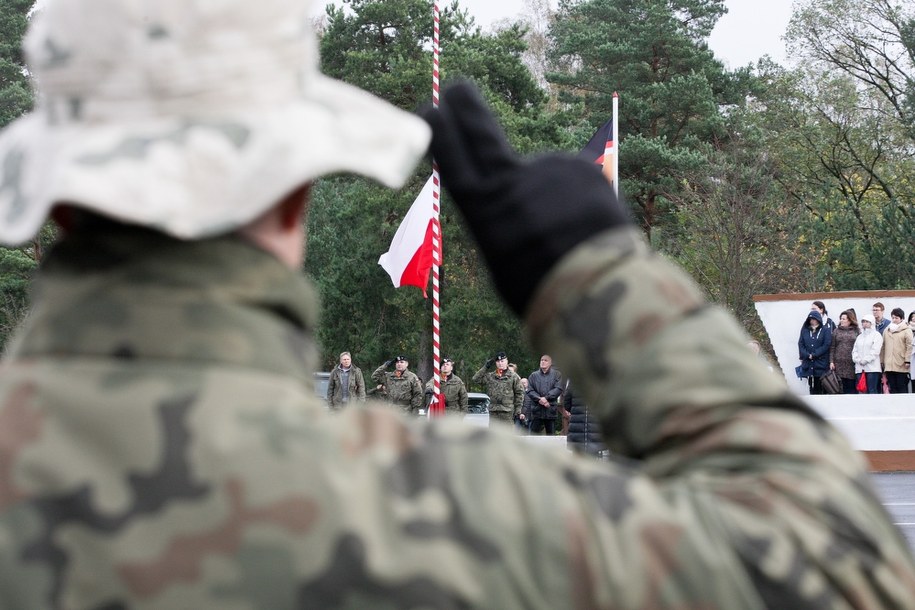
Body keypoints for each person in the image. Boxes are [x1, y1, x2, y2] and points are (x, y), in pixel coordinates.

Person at [0, 4, 913, 606]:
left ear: (56, 194)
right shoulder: (438, 510)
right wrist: (603, 284)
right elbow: (838, 563)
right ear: (292, 188)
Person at [472, 351, 524, 426]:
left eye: (502, 361)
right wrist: (486, 367)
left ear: (506, 361)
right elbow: (475, 379)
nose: (500, 363)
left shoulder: (513, 376)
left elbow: (519, 393)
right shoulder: (491, 376)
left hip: (507, 412)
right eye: (498, 361)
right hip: (494, 412)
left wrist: (518, 411)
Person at [565, 382, 605, 458]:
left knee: (578, 460)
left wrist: (576, 412)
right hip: (595, 429)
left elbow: (567, 403)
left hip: (577, 429)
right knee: (595, 460)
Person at [526, 354, 564, 435]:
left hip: (550, 409)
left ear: (550, 363)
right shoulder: (533, 375)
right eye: (541, 360)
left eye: (545, 360)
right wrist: (539, 399)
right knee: (533, 436)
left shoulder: (557, 375)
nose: (543, 362)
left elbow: (558, 388)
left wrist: (546, 398)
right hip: (536, 410)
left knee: (551, 436)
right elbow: (529, 390)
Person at [798, 310, 833, 394]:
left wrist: (814, 354)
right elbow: (801, 344)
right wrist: (807, 354)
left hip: (820, 364)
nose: (812, 321)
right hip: (809, 364)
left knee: (821, 386)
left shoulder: (825, 330)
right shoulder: (805, 330)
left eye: (814, 319)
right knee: (812, 386)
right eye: (810, 319)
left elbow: (826, 345)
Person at [881, 308, 913, 394]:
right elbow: (883, 346)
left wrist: (907, 360)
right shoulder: (887, 330)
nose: (894, 320)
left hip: (901, 363)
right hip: (889, 364)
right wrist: (882, 361)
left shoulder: (907, 330)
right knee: (892, 387)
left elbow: (909, 346)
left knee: (901, 386)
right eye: (893, 318)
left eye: (896, 318)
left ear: (902, 318)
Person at [829, 310, 860, 394]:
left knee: (851, 386)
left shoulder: (856, 331)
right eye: (841, 318)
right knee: (840, 386)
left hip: (851, 363)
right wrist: (831, 361)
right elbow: (832, 347)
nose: (841, 320)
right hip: (838, 363)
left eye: (843, 319)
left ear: (849, 320)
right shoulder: (836, 331)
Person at [853, 314, 884, 394]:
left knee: (872, 390)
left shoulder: (876, 335)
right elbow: (855, 350)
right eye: (863, 322)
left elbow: (875, 351)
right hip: (860, 368)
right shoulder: (859, 336)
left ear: (872, 323)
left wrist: (866, 360)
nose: (865, 323)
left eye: (867, 322)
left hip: (872, 368)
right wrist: (858, 360)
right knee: (862, 390)